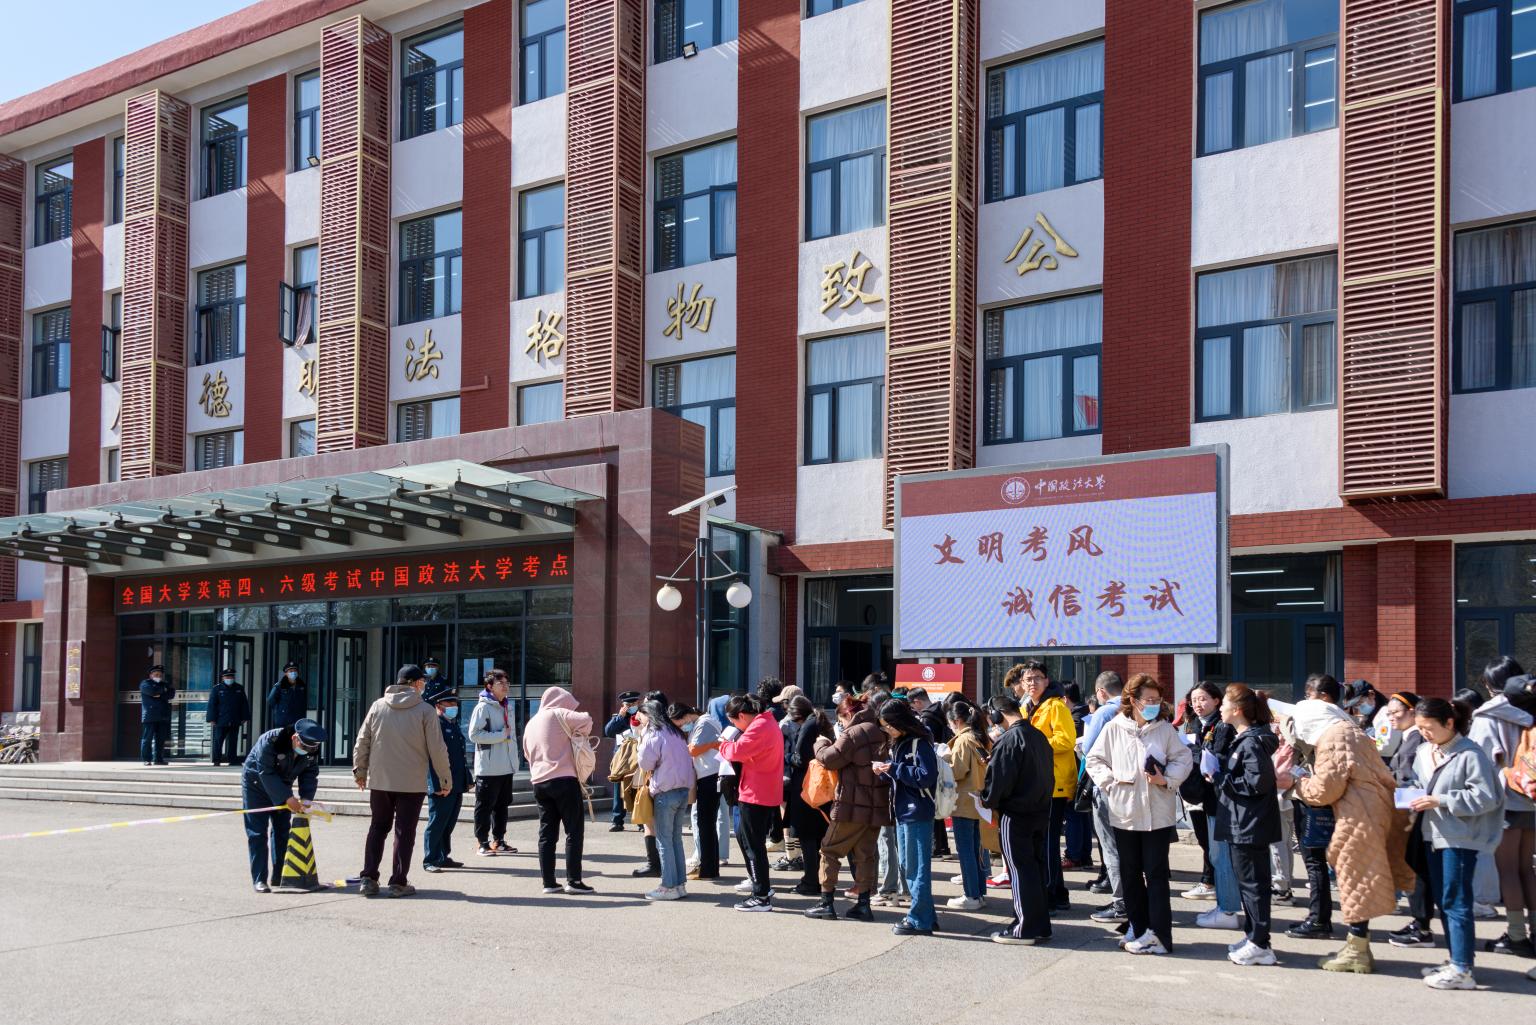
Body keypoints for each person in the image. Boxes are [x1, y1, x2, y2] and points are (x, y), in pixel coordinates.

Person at [1085, 673, 1193, 955]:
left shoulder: (1165, 729)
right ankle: (1138, 927)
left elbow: (1184, 758)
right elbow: (1094, 759)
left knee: (1156, 875)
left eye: (1157, 700)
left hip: (1158, 814)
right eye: (1149, 700)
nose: (1154, 704)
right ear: (1133, 700)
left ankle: (1160, 935)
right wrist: (1110, 783)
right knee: (1130, 874)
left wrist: (1166, 779)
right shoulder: (1115, 727)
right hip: (1125, 812)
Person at [1291, 696, 1399, 973]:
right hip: (1373, 808)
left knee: (1354, 881)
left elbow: (1325, 790)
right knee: (1359, 878)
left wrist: (1298, 782)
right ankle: (1358, 945)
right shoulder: (1353, 732)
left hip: (1357, 816)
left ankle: (1356, 951)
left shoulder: (1333, 738)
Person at [1406, 696, 1505, 989]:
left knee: (1456, 901)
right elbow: (1418, 784)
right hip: (1432, 835)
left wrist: (1441, 800)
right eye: (1420, 728)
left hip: (1460, 838)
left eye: (1429, 727)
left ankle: (1462, 969)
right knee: (1445, 900)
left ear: (1449, 723)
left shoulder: (1470, 754)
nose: (1424, 733)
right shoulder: (1425, 751)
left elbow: (1486, 797)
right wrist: (1409, 794)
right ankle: (1457, 962)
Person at [352, 664, 452, 898]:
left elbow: (362, 740)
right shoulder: (425, 710)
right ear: (415, 683)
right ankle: (398, 882)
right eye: (422, 682)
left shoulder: (378, 706)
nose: (424, 685)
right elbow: (437, 749)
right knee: (404, 832)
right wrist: (445, 779)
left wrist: (360, 771)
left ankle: (368, 878)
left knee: (378, 827)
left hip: (380, 781)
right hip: (411, 782)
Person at [1469, 657, 1536, 951]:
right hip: (1532, 797)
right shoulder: (1532, 710)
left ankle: (1516, 935)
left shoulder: (1487, 716)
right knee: (1527, 868)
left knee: (1507, 869)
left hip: (1505, 800)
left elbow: (1479, 761)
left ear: (1488, 684)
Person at [1213, 684, 1281, 966]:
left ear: (1237, 709)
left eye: (1224, 704)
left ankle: (1260, 943)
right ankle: (1254, 937)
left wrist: (1222, 779)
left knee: (1254, 886)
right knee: (1249, 885)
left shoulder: (1251, 742)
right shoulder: (1244, 739)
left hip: (1249, 824)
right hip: (1242, 822)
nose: (1220, 708)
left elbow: (1258, 782)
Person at [805, 694, 890, 922]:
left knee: (829, 850)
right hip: (876, 806)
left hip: (851, 805)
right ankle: (863, 905)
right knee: (865, 855)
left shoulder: (853, 733)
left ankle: (826, 903)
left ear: (848, 714)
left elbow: (829, 758)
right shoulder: (880, 730)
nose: (840, 724)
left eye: (841, 719)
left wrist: (821, 743)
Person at [983, 693, 1055, 944]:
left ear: (997, 715)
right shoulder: (1038, 735)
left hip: (1015, 813)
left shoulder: (1008, 740)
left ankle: (1024, 928)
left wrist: (987, 799)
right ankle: (1039, 925)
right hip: (1040, 810)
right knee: (1034, 868)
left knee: (1019, 869)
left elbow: (998, 781)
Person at [872, 697, 940, 936]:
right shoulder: (903, 742)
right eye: (884, 727)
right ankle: (926, 916)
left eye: (888, 725)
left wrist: (894, 769)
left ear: (900, 721)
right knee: (909, 865)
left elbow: (926, 776)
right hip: (905, 810)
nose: (887, 730)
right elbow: (906, 776)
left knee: (915, 867)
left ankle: (919, 919)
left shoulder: (919, 743)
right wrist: (886, 771)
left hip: (916, 811)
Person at [1284, 673, 1342, 941]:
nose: (1306, 701)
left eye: (1310, 695)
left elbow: (1298, 739)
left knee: (1314, 861)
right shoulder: (1342, 722)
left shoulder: (1323, 724)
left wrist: (1286, 723)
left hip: (1313, 799)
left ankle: (1319, 919)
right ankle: (1320, 917)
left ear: (1325, 697)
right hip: (1321, 798)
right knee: (1319, 862)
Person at [522, 684, 596, 895]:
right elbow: (587, 719)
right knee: (574, 831)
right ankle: (574, 881)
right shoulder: (558, 713)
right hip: (564, 779)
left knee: (547, 833)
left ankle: (548, 882)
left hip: (539, 782)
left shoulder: (531, 723)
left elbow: (527, 753)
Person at [1378, 691, 1437, 949]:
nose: (1391, 717)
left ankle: (1422, 926)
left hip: (1414, 812)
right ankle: (1419, 923)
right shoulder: (1409, 737)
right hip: (1409, 809)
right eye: (1389, 713)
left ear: (1413, 711)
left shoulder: (1417, 739)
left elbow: (1413, 780)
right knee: (1415, 867)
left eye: (1396, 712)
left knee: (1417, 868)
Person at [1017, 663, 1077, 912]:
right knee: (1042, 842)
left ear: (1047, 681)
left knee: (1049, 843)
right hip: (1036, 782)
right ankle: (1058, 893)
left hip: (1055, 783)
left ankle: (1052, 894)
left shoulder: (1056, 706)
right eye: (1028, 679)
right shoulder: (1025, 708)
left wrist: (1033, 743)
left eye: (1037, 678)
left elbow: (1066, 740)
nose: (1032, 683)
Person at [718, 692, 785, 911]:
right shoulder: (767, 721)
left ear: (741, 716)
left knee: (753, 846)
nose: (735, 726)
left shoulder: (759, 726)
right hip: (763, 790)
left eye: (734, 722)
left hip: (756, 793)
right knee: (752, 843)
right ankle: (762, 889)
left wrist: (723, 744)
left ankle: (761, 895)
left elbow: (737, 751)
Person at [241, 717, 324, 892]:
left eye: (311, 748)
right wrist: (287, 797)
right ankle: (259, 879)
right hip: (256, 786)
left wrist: (306, 798)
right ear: (294, 738)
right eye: (304, 747)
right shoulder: (270, 741)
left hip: (283, 785)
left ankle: (280, 875)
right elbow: (266, 772)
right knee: (257, 833)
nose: (307, 751)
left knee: (282, 830)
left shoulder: (310, 749)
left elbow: (310, 772)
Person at [1185, 681, 1242, 932]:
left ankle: (1228, 910)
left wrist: (1191, 751)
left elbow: (1216, 759)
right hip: (1209, 798)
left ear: (1218, 701)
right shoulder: (1198, 724)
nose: (1198, 704)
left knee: (1222, 855)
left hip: (1221, 799)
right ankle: (1224, 905)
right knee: (1217, 854)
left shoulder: (1223, 727)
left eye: (1203, 699)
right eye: (1194, 700)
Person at [634, 699, 694, 900]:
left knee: (664, 840)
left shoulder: (653, 733)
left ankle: (668, 886)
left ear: (648, 714)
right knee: (675, 839)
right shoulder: (676, 732)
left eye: (641, 713)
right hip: (682, 790)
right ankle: (679, 884)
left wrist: (640, 741)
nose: (638, 717)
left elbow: (645, 763)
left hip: (665, 791)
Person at [1081, 671, 1125, 923]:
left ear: (1101, 692)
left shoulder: (1104, 713)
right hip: (1133, 788)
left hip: (1107, 785)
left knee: (1111, 847)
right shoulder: (1137, 710)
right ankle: (1131, 899)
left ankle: (1121, 902)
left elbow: (1089, 749)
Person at [945, 698, 990, 912]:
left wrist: (944, 761)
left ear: (957, 721)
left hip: (964, 801)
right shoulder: (980, 737)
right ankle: (978, 893)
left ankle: (971, 895)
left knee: (966, 851)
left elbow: (957, 771)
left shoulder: (963, 740)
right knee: (976, 850)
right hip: (979, 801)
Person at [784, 695, 832, 896]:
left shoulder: (807, 727)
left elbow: (800, 758)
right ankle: (820, 879)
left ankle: (810, 881)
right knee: (818, 837)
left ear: (796, 714)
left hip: (806, 787)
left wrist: (786, 756)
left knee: (807, 838)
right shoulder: (820, 722)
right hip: (819, 787)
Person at [467, 670, 518, 856]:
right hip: (489, 767)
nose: (505, 686)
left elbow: (511, 736)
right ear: (489, 686)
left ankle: (499, 840)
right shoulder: (483, 707)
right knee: (484, 806)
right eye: (500, 683)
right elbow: (474, 735)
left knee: (502, 805)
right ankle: (482, 842)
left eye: (507, 683)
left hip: (506, 765)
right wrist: (501, 735)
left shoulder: (507, 706)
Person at [421, 680, 469, 874]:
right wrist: (436, 784)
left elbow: (459, 756)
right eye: (449, 703)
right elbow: (432, 758)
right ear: (439, 706)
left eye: (455, 703)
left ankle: (443, 855)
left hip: (455, 782)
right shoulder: (436, 725)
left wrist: (466, 779)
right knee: (437, 821)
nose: (453, 706)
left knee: (449, 822)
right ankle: (430, 859)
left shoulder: (451, 724)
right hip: (441, 783)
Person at [678, 703, 722, 880]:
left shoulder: (704, 722)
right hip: (707, 775)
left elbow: (693, 749)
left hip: (709, 776)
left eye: (681, 722)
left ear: (687, 715)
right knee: (706, 824)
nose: (682, 726)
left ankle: (708, 869)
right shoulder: (701, 723)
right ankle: (709, 867)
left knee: (705, 824)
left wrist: (710, 744)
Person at [909, 687, 953, 859]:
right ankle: (942, 847)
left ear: (917, 702)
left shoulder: (927, 718)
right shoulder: (940, 711)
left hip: (934, 763)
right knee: (939, 806)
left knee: (933, 806)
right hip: (944, 762)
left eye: (913, 706)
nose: (914, 710)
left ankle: (937, 847)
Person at [603, 691, 641, 832]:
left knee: (638, 788)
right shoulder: (619, 718)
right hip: (622, 758)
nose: (630, 707)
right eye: (627, 704)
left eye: (633, 704)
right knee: (618, 789)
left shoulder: (642, 715)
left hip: (637, 756)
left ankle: (640, 821)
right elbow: (608, 731)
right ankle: (617, 820)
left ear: (637, 703)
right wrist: (620, 717)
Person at [206, 666, 251, 766]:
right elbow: (212, 705)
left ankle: (233, 759)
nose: (229, 679)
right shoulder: (217, 689)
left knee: (233, 741)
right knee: (218, 740)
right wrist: (212, 719)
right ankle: (217, 760)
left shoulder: (239, 688)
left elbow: (244, 703)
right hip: (221, 720)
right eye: (227, 677)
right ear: (223, 678)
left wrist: (245, 717)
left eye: (231, 677)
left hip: (235, 718)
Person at [139, 664, 174, 766]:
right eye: (156, 674)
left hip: (162, 715)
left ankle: (158, 759)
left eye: (160, 675)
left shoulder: (165, 684)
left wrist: (160, 694)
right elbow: (153, 692)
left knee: (160, 740)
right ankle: (147, 759)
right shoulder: (145, 684)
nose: (158, 676)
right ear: (151, 675)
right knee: (147, 739)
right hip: (150, 716)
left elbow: (171, 694)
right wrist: (163, 692)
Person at [266, 662, 307, 730]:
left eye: (295, 671)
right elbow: (271, 700)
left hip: (298, 720)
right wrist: (281, 710)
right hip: (283, 721)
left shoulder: (302, 686)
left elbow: (304, 701)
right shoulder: (279, 686)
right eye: (290, 671)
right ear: (286, 673)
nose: (293, 673)